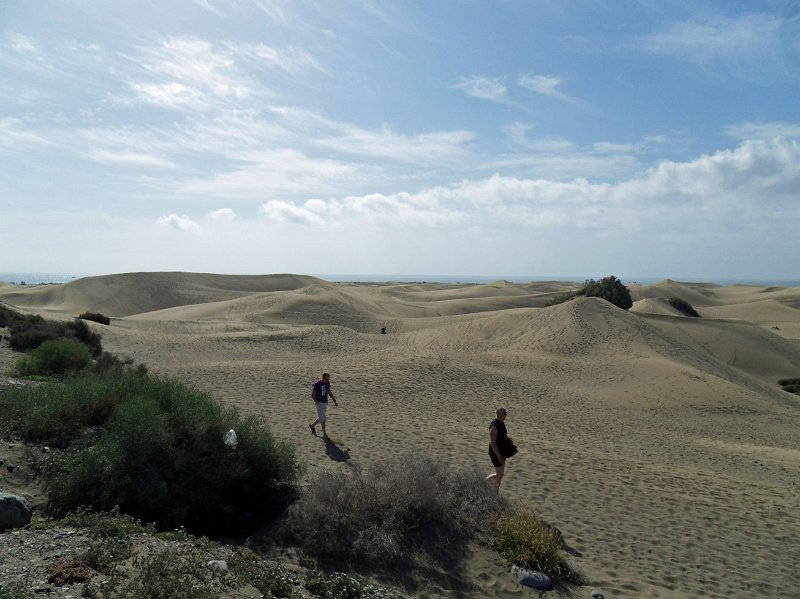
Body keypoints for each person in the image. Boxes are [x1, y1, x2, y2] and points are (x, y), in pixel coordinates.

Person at [487, 407, 511, 490]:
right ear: (498, 414)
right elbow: (492, 443)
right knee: (499, 474)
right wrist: (499, 456)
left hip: (502, 451)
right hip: (495, 452)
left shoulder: (501, 423)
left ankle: (486, 483)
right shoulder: (494, 427)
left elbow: (503, 434)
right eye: (504, 413)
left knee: (500, 474)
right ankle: (495, 491)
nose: (506, 415)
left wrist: (508, 439)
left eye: (506, 413)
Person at [309, 372, 337, 438]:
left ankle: (312, 426)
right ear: (323, 378)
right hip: (320, 403)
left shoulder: (327, 383)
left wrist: (334, 400)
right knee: (323, 419)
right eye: (327, 379)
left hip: (325, 402)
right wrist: (317, 402)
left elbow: (329, 392)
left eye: (328, 379)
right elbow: (312, 395)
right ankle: (324, 434)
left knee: (321, 417)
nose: (328, 380)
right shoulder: (317, 384)